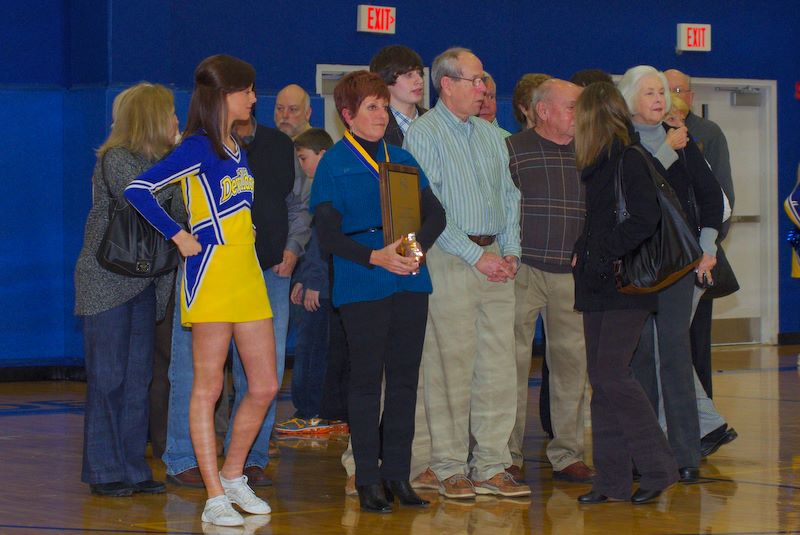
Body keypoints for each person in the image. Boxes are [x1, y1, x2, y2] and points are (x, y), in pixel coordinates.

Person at [124, 54, 278, 527]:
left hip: (247, 273)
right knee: (208, 387)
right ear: (224, 95)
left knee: (265, 384)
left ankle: (233, 476)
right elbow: (138, 189)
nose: (253, 98)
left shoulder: (236, 147)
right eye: (247, 90)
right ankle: (214, 495)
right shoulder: (197, 146)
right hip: (210, 274)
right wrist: (177, 234)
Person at [311, 70, 446, 513]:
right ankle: (368, 477)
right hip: (362, 279)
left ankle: (398, 475)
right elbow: (327, 235)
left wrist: (410, 251)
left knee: (405, 381)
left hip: (409, 277)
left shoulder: (401, 158)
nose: (382, 114)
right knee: (366, 382)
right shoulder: (334, 163)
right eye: (372, 107)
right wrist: (375, 257)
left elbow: (436, 215)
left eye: (384, 107)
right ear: (347, 115)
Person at [404, 47, 529, 499]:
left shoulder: (494, 136)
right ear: (446, 84)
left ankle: (492, 465)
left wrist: (510, 250)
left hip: (495, 258)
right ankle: (448, 465)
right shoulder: (424, 134)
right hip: (449, 257)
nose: (483, 88)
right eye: (475, 80)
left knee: (499, 367)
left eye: (484, 81)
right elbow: (429, 206)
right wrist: (477, 256)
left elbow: (510, 198)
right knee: (449, 366)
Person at [571, 81, 678, 505]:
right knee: (602, 379)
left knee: (613, 374)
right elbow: (602, 221)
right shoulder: (598, 163)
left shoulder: (629, 158)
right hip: (598, 282)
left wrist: (600, 251)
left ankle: (659, 468)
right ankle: (611, 481)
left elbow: (645, 219)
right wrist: (584, 249)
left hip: (624, 284)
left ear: (591, 117)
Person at [618, 65, 723, 483]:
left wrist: (708, 247)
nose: (658, 99)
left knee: (676, 356)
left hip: (678, 264)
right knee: (640, 357)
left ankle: (685, 453)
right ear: (630, 100)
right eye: (649, 93)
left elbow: (711, 198)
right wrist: (665, 150)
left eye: (661, 92)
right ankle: (644, 454)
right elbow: (634, 194)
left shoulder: (682, 139)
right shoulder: (620, 143)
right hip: (635, 267)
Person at [75, 82, 179, 497]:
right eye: (170, 113)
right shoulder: (116, 158)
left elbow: (182, 210)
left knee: (139, 378)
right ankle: (104, 471)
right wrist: (182, 165)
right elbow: (142, 198)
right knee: (108, 377)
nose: (176, 120)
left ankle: (134, 467)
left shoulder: (162, 162)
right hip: (107, 282)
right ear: (152, 118)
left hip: (146, 283)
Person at [505, 78, 592, 483]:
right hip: (522, 271)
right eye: (572, 106)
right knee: (511, 365)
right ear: (542, 111)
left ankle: (568, 453)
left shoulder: (589, 152)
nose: (579, 114)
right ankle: (507, 454)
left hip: (572, 276)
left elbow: (602, 209)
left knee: (572, 367)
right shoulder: (512, 150)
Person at [286, 127, 341, 430]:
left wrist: (315, 283)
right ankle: (310, 411)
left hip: (323, 286)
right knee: (312, 347)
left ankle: (309, 413)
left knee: (313, 349)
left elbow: (324, 241)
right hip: (317, 280)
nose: (301, 165)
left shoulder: (329, 185)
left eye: (304, 158)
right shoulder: (322, 184)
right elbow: (311, 242)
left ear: (323, 154)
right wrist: (303, 279)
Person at [369, 44, 427, 146]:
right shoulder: (373, 127)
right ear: (386, 80)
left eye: (420, 74)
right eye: (409, 75)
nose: (420, 80)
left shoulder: (437, 122)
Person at [478, 72, 511, 136]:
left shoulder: (507, 139)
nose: (487, 105)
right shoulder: (459, 138)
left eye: (491, 97)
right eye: (480, 97)